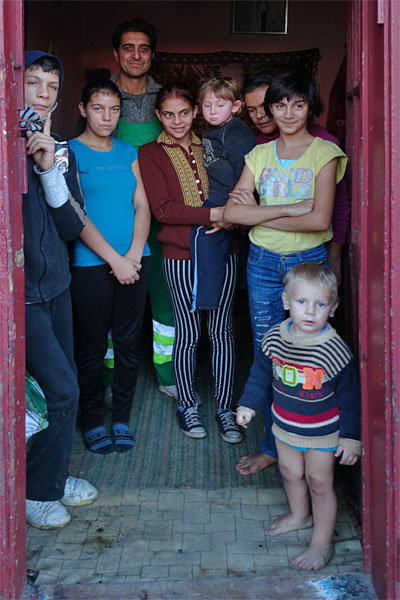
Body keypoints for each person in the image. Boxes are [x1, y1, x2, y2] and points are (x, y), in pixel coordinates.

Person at [225, 71, 348, 476]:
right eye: (280, 105)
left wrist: (259, 215)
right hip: (262, 262)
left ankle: (298, 441)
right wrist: (291, 209)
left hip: (306, 262)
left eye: (298, 104)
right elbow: (233, 212)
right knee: (269, 352)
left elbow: (320, 220)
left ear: (311, 107)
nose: (289, 113)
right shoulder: (259, 154)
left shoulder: (325, 153)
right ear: (270, 110)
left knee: (306, 351)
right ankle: (274, 446)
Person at [236, 263, 361, 571]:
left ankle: (322, 542)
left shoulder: (334, 350)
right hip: (284, 426)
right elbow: (260, 374)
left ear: (333, 307)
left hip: (322, 433)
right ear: (285, 301)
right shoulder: (275, 338)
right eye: (302, 302)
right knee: (290, 473)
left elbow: (350, 399)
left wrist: (350, 438)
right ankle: (300, 516)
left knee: (319, 483)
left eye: (320, 304)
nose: (309, 311)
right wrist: (248, 405)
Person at [22, 51, 101, 529]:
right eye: (33, 82)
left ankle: (53, 476)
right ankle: (36, 492)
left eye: (51, 86)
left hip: (57, 286)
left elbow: (71, 226)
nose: (43, 93)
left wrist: (48, 165)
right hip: (21, 296)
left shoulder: (62, 149)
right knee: (60, 390)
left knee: (65, 384)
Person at [139, 82, 242, 443]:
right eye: (169, 114)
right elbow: (163, 210)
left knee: (222, 331)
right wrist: (217, 213)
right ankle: (187, 404)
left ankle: (225, 408)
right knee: (187, 330)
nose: (177, 121)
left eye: (184, 112)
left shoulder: (212, 143)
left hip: (223, 250)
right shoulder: (150, 153)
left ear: (195, 112)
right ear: (158, 116)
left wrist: (233, 214)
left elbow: (239, 185)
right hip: (179, 254)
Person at [69, 79, 151, 454]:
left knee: (128, 344)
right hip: (91, 264)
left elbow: (142, 205)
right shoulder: (70, 152)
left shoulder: (127, 151)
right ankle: (90, 420)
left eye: (114, 109)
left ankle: (120, 417)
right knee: (90, 347)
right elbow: (76, 213)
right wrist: (115, 261)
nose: (107, 117)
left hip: (135, 261)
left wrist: (132, 254)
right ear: (83, 109)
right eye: (98, 108)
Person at [110, 19, 177, 400]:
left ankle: (167, 371)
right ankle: (108, 378)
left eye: (144, 48)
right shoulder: (103, 96)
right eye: (128, 48)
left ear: (152, 54)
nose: (136, 55)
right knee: (113, 300)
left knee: (165, 297)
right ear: (116, 53)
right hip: (115, 218)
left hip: (162, 218)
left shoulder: (164, 99)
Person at [190, 76, 255, 311]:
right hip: (218, 196)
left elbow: (244, 171)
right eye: (207, 105)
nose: (212, 111)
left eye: (220, 105)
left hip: (228, 198)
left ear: (235, 107)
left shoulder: (236, 133)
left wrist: (234, 212)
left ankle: (205, 300)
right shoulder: (214, 131)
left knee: (202, 233)